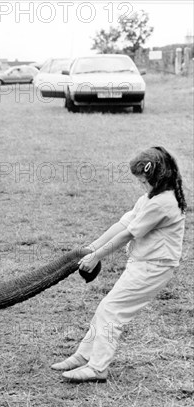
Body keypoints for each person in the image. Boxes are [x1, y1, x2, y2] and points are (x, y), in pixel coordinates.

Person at [52, 146, 187, 382]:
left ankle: (97, 368)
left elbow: (128, 235)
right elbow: (122, 225)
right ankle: (84, 355)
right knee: (107, 306)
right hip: (142, 264)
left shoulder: (162, 203)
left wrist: (97, 256)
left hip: (154, 267)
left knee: (112, 311)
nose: (141, 187)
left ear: (158, 178)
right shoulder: (149, 198)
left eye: (144, 182)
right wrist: (91, 248)